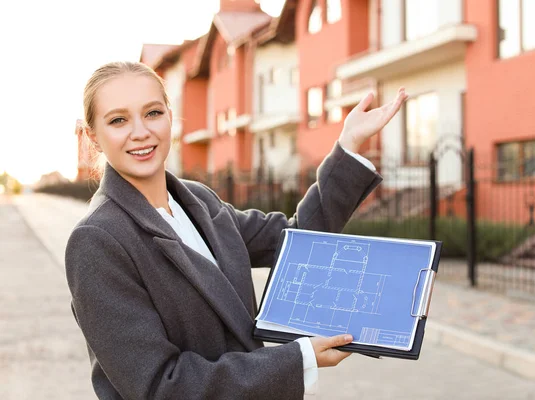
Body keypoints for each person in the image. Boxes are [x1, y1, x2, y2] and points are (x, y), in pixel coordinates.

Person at [65, 61, 408, 400]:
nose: (140, 131)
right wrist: (298, 360)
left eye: (153, 113)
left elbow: (297, 239)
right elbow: (160, 386)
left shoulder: (199, 200)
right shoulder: (97, 240)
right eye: (118, 120)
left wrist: (348, 145)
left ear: (171, 116)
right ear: (94, 136)